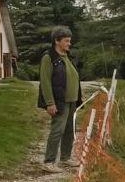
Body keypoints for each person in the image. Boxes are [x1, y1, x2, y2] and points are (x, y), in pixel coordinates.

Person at [38, 26, 83, 173]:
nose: (69, 43)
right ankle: (49, 161)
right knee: (57, 130)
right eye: (66, 41)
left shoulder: (67, 57)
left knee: (70, 130)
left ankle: (65, 158)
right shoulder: (49, 57)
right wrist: (50, 103)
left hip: (72, 101)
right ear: (57, 41)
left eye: (69, 41)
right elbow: (45, 82)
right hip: (59, 101)